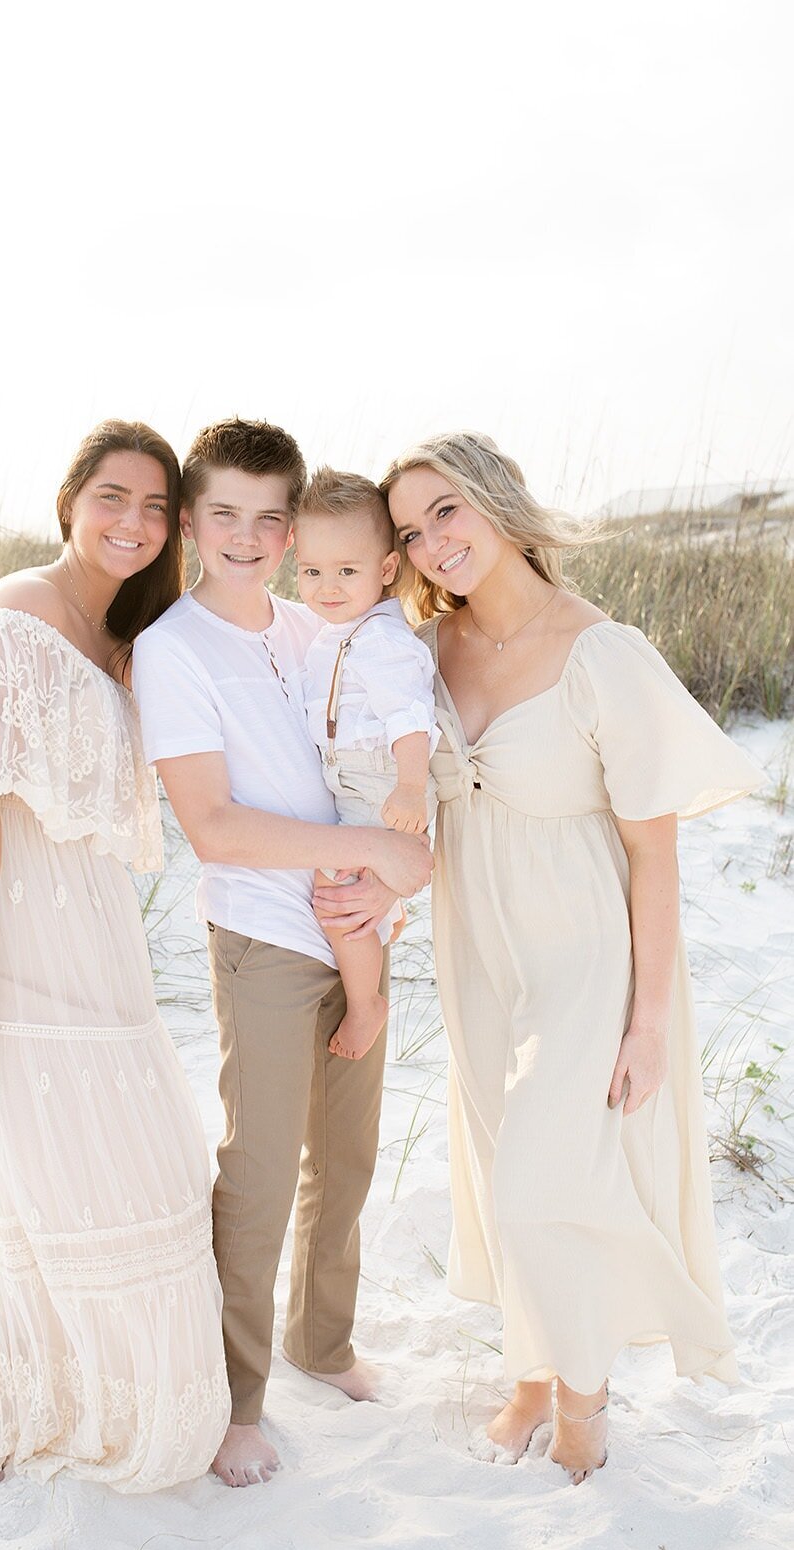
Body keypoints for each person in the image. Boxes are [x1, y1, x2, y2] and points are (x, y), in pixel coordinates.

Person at [318, 430, 763, 1485]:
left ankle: (582, 1398)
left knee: (536, 1179)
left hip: (583, 952)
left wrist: (646, 1023)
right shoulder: (425, 650)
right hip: (478, 945)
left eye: (446, 513)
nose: (431, 544)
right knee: (493, 1157)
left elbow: (653, 855)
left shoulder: (600, 651)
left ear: (496, 505)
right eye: (411, 530)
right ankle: (531, 1366)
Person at [0, 419, 230, 1492]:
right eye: (111, 497)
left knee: (126, 1153)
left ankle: (97, 1383)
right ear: (70, 501)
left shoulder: (132, 633)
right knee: (11, 1167)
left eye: (155, 508)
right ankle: (9, 1382)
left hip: (81, 924)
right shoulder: (6, 621)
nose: (133, 522)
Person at [131, 419, 432, 1488]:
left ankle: (323, 1341)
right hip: (263, 934)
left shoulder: (314, 627)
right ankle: (234, 1402)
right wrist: (368, 846)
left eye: (271, 517)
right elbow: (212, 826)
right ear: (192, 523)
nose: (249, 537)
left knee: (345, 1156)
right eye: (225, 514)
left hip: (354, 923)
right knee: (256, 1175)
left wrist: (397, 864)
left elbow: (384, 739)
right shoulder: (172, 650)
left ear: (294, 525)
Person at [295, 467, 439, 1060]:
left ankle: (366, 1004)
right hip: (354, 779)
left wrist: (409, 787)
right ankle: (387, 916)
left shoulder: (382, 639)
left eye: (346, 572)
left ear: (385, 570)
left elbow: (410, 715)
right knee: (347, 881)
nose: (327, 587)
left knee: (336, 891)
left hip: (379, 781)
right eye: (311, 571)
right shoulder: (340, 629)